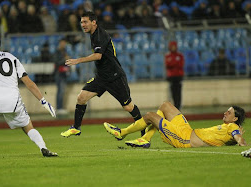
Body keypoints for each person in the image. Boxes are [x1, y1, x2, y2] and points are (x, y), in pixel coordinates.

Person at [61, 11, 145, 137]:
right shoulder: (93, 34)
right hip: (101, 77)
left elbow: (98, 56)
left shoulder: (100, 35)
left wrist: (78, 60)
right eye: (81, 22)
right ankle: (76, 128)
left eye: (85, 22)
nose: (82, 24)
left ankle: (144, 132)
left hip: (115, 76)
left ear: (93, 22)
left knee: (128, 107)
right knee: (81, 98)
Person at [104, 101, 247, 148]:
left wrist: (242, 143)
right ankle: (146, 139)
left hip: (184, 138)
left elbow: (238, 139)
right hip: (187, 130)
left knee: (149, 116)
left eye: (229, 113)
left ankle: (122, 133)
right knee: (165, 105)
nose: (225, 113)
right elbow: (226, 140)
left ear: (235, 119)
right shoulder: (229, 129)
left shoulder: (233, 128)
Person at [165, 41, 184, 110]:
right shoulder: (168, 56)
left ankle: (178, 107)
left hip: (178, 77)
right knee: (172, 93)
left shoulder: (180, 55)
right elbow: (168, 65)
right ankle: (174, 108)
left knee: (178, 93)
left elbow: (181, 64)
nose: (173, 48)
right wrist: (175, 63)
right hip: (171, 77)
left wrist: (173, 63)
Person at [54, 39, 70, 115]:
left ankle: (60, 107)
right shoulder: (57, 52)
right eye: (62, 42)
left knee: (62, 91)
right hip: (59, 74)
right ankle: (59, 108)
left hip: (64, 73)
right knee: (60, 91)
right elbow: (56, 62)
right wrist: (64, 59)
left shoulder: (64, 51)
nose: (63, 44)